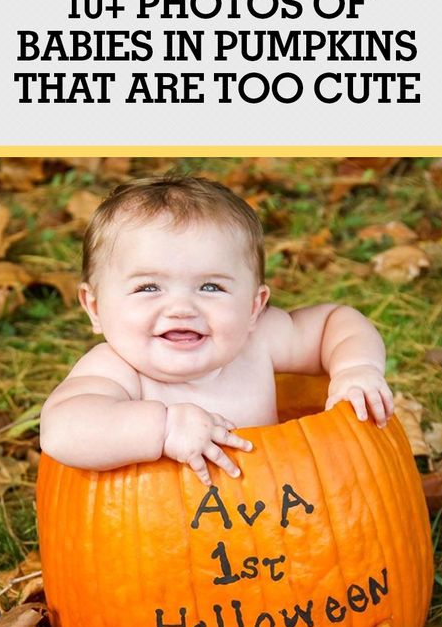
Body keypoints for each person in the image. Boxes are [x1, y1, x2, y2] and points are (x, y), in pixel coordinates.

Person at [40, 175, 394, 486]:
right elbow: (63, 430)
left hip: (279, 513)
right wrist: (163, 429)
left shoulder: (257, 341)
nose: (181, 308)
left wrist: (356, 368)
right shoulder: (115, 370)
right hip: (164, 540)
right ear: (95, 306)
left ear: (254, 306)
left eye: (211, 287)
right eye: (148, 287)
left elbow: (336, 322)